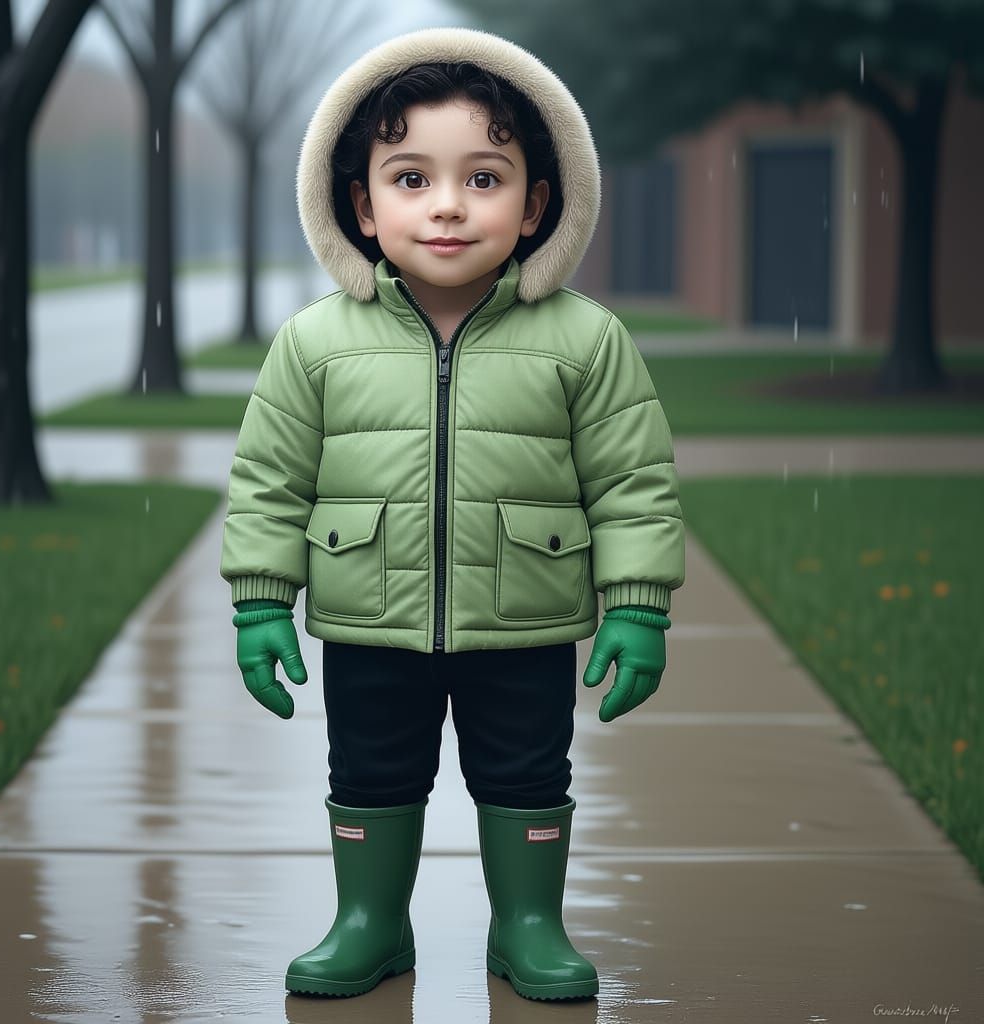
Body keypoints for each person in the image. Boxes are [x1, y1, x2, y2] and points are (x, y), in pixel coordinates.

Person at [219, 26, 685, 1003]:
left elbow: (632, 478)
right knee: (372, 771)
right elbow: (268, 479)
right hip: (367, 614)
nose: (445, 206)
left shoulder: (583, 340)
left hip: (523, 617)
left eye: (483, 178)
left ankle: (527, 924)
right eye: (410, 177)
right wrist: (260, 600)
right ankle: (370, 920)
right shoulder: (314, 345)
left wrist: (637, 602)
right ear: (360, 202)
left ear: (536, 205)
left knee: (524, 772)